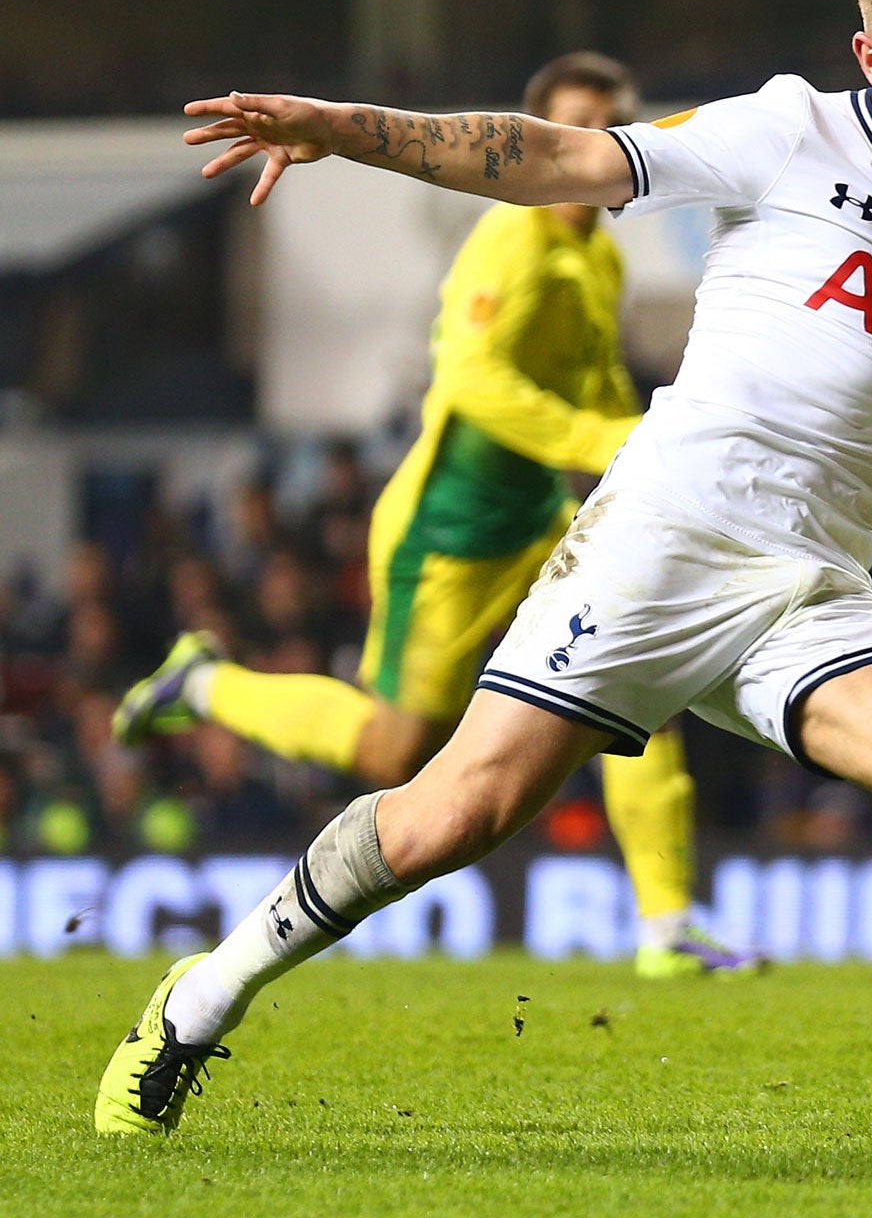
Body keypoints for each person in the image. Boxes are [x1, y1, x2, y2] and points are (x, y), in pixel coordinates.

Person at [97, 0, 872, 1136]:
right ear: (869, 54)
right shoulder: (784, 132)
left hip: (814, 582)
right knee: (453, 813)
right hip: (659, 541)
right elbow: (550, 158)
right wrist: (347, 128)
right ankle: (202, 998)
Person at [115, 53, 760, 980]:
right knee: (395, 745)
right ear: (542, 129)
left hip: (539, 513)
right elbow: (471, 378)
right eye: (574, 123)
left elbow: (589, 376)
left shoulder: (595, 252)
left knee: (632, 684)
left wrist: (646, 434)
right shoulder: (513, 241)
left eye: (607, 125)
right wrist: (596, 437)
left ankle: (666, 926)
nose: (590, 141)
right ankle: (204, 687)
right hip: (453, 528)